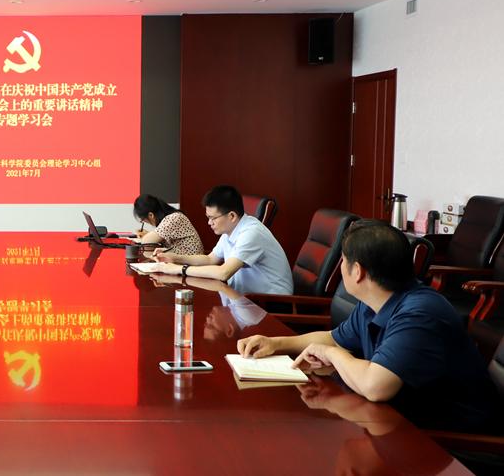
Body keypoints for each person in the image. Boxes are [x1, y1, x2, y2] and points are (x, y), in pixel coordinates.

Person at [237, 220, 502, 435]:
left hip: (453, 439)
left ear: (358, 272)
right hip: (399, 418)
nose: (340, 267)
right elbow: (334, 338)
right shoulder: (376, 300)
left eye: (343, 261)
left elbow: (376, 386)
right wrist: (277, 343)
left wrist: (332, 356)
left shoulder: (420, 313)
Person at [152, 185, 292, 295]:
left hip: (271, 302)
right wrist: (174, 257)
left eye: (213, 218)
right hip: (245, 298)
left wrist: (178, 269)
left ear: (231, 216)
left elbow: (223, 272)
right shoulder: (230, 230)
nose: (209, 223)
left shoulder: (252, 233)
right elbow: (210, 259)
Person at [133, 194, 204, 255]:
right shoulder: (171, 217)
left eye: (143, 220)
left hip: (191, 263)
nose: (144, 222)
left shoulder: (173, 218)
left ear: (151, 215)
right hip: (184, 260)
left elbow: (146, 243)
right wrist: (147, 234)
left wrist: (146, 237)